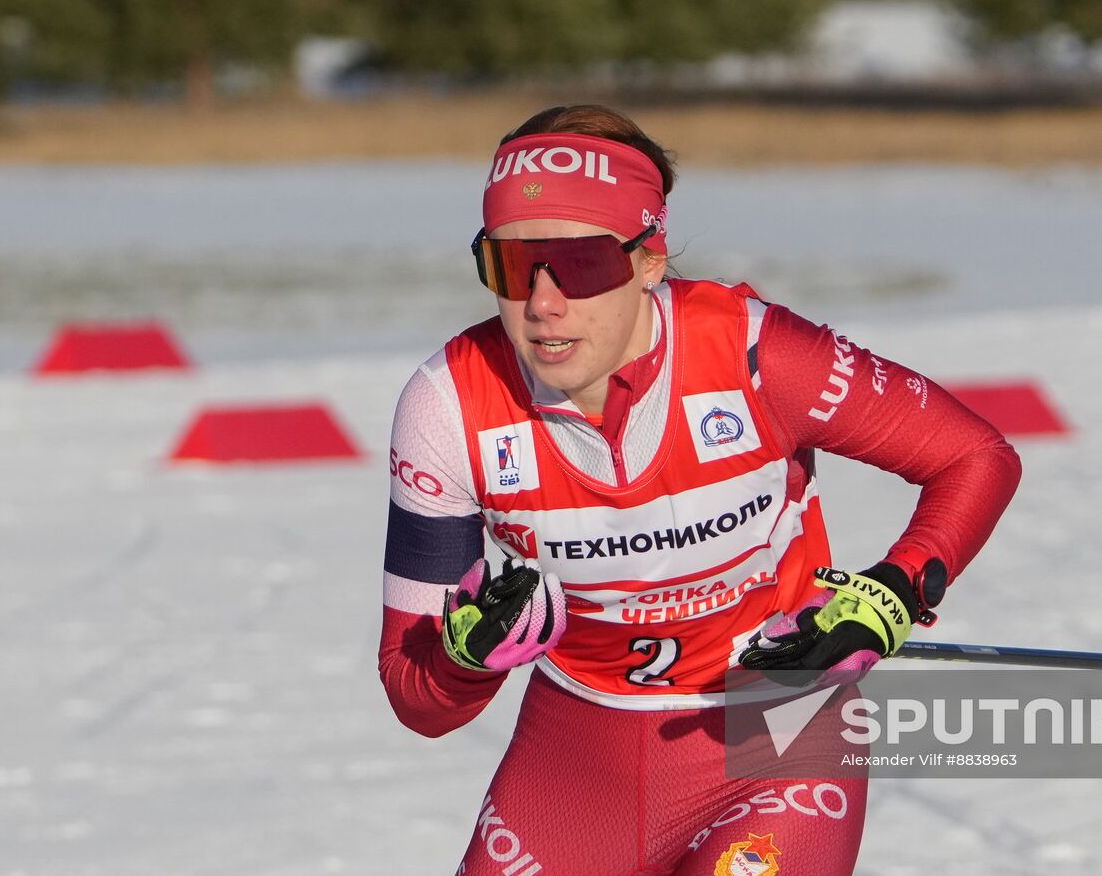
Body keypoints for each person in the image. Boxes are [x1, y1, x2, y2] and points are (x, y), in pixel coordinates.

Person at [379, 104, 1022, 875]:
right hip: (579, 760)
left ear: (650, 260)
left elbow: (975, 456)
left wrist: (894, 588)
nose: (542, 304)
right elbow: (416, 697)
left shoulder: (758, 355)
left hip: (775, 729)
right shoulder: (449, 405)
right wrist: (470, 651)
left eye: (580, 265)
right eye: (513, 267)